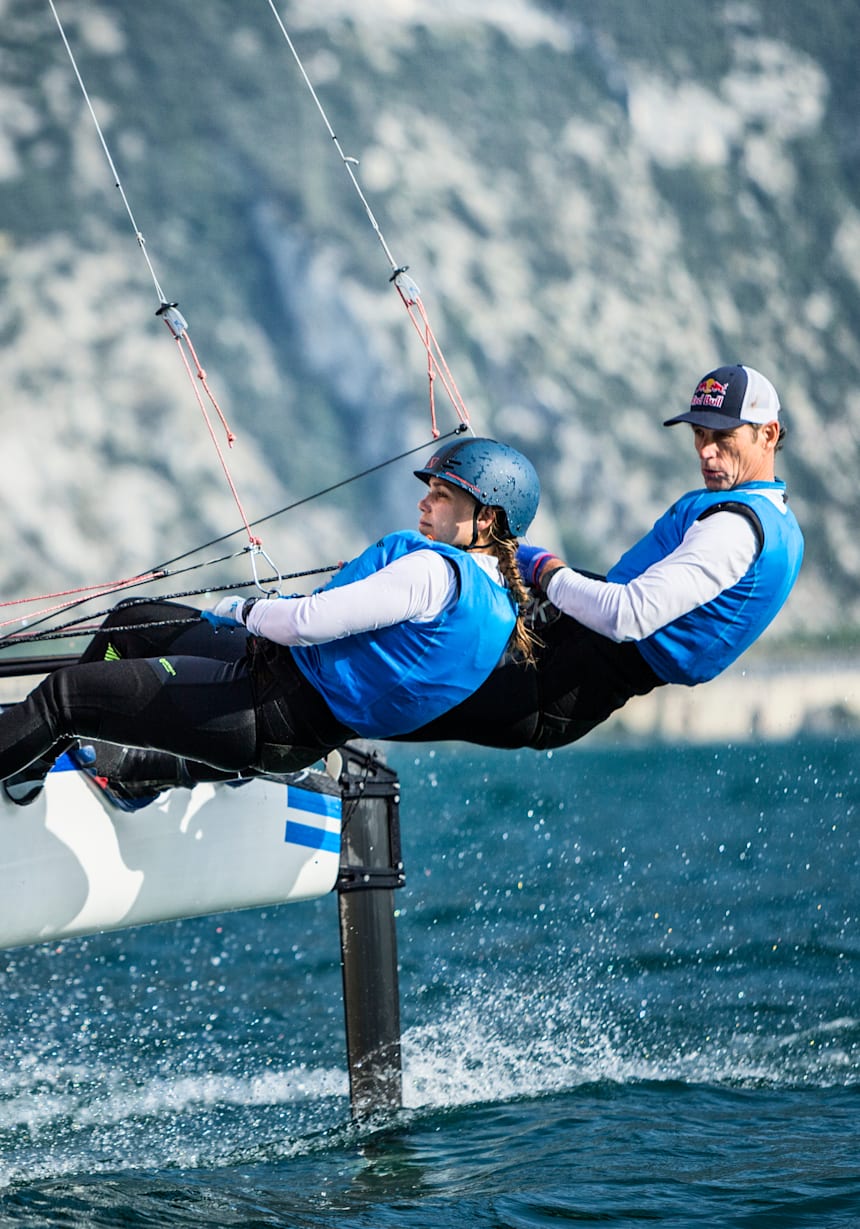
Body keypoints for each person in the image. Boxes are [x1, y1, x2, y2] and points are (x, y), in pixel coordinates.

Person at [0, 437, 540, 805]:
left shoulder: (434, 572)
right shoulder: (499, 605)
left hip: (263, 708)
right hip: (291, 713)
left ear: (486, 517)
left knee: (63, 697)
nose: (424, 503)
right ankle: (104, 768)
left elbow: (307, 622)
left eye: (441, 495)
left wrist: (242, 610)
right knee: (133, 622)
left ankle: (32, 767)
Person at [398, 363, 804, 749]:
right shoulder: (767, 515)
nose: (705, 451)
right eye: (699, 433)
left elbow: (627, 616)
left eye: (723, 437)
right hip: (568, 633)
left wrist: (544, 569)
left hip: (558, 681)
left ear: (768, 435)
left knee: (383, 702)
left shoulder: (734, 531)